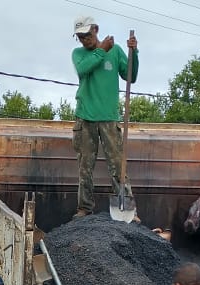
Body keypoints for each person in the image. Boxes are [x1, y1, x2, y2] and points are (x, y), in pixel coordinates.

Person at [71, 16, 138, 221]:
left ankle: (126, 209)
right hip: (85, 118)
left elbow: (130, 76)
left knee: (118, 165)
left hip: (109, 118)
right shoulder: (78, 54)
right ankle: (84, 209)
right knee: (85, 167)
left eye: (87, 35)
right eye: (80, 37)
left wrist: (133, 53)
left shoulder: (116, 51)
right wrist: (101, 49)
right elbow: (83, 69)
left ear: (96, 29)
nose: (84, 40)